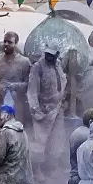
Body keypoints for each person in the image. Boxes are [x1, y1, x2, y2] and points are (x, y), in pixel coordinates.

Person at [28, 44, 67, 173]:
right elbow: (32, 90)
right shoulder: (37, 67)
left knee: (57, 138)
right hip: (43, 108)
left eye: (52, 54)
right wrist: (36, 110)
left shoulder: (58, 64)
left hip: (57, 107)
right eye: (47, 54)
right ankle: (37, 170)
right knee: (40, 141)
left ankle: (51, 168)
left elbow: (62, 82)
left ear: (57, 55)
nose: (49, 56)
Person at [0, 32, 33, 114]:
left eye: (10, 42)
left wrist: (15, 86)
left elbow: (30, 85)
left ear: (16, 44)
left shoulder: (24, 62)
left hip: (17, 106)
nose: (6, 44)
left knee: (14, 126)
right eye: (4, 41)